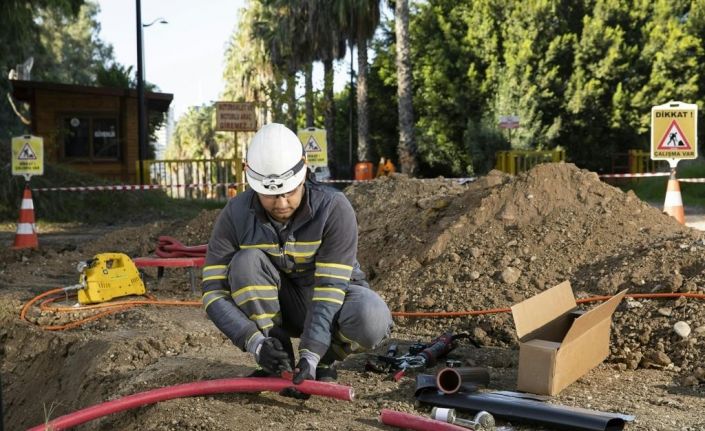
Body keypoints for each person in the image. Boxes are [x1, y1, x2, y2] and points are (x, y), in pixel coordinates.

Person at [202, 123, 393, 387]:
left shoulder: (333, 209)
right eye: (269, 195)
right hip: (281, 305)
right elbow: (213, 291)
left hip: (332, 303)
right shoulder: (235, 214)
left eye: (290, 191)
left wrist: (312, 354)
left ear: (304, 171)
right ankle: (276, 357)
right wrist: (256, 343)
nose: (281, 204)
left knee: (372, 316)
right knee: (245, 263)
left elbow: (329, 288)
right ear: (250, 177)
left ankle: (325, 359)